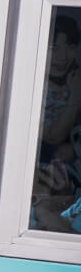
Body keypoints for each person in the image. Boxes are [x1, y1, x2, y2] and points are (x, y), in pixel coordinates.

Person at [38, 14, 81, 162]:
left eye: (70, 47)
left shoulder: (76, 78)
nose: (62, 57)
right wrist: (75, 96)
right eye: (53, 47)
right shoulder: (30, 86)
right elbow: (53, 136)